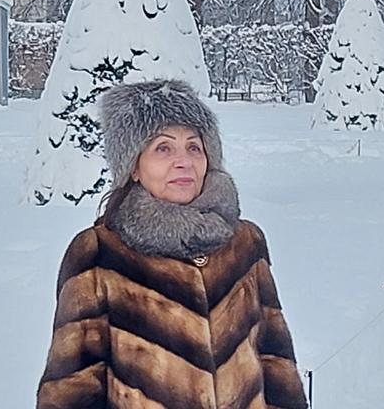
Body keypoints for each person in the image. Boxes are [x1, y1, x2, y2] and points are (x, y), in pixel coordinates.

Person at [37, 79, 307, 409]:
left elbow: (276, 362)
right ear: (133, 167)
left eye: (194, 147)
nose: (184, 161)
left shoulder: (244, 242)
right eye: (163, 148)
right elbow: (71, 391)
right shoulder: (98, 253)